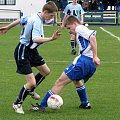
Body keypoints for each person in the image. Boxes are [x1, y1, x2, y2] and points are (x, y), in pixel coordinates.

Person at [0, 1, 61, 114]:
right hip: (23, 51)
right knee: (32, 82)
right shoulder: (37, 21)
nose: (52, 18)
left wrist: (7, 27)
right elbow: (35, 39)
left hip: (32, 51)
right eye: (51, 16)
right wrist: (51, 39)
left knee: (46, 71)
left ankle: (31, 90)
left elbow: (20, 20)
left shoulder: (34, 15)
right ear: (45, 12)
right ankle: (17, 103)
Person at [30, 15, 100, 112]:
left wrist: (95, 56)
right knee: (76, 80)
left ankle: (42, 106)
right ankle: (85, 103)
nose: (69, 31)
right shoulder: (81, 29)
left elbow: (92, 37)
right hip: (90, 64)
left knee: (60, 82)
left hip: (83, 61)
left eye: (69, 28)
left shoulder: (79, 28)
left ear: (74, 24)